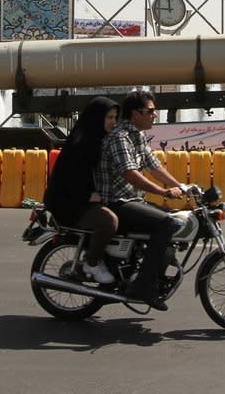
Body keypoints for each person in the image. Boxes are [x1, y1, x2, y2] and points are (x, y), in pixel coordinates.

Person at [96, 89, 184, 311]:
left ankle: (144, 272)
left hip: (133, 200)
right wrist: (163, 192)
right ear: (136, 114)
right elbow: (130, 173)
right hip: (117, 203)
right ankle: (143, 286)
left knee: (175, 222)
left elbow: (153, 165)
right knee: (166, 223)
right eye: (151, 111)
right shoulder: (120, 137)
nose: (155, 115)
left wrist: (179, 186)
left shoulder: (137, 135)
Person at [43, 97, 120, 285]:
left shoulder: (99, 140)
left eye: (115, 117)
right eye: (109, 117)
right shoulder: (81, 143)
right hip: (69, 204)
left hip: (85, 200)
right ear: (97, 118)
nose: (113, 122)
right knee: (109, 221)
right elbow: (70, 177)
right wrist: (88, 195)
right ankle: (91, 263)